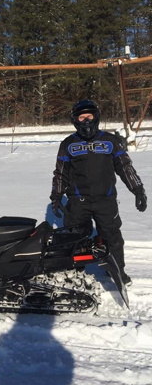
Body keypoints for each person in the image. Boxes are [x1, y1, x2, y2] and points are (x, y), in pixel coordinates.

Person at [50, 99, 147, 286]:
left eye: (90, 116)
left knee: (112, 237)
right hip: (78, 202)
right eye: (82, 116)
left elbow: (125, 167)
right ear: (75, 120)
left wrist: (138, 189)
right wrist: (56, 196)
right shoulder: (68, 144)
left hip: (106, 200)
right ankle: (75, 272)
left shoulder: (110, 141)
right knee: (75, 238)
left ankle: (117, 270)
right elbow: (60, 173)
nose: (86, 120)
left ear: (96, 117)